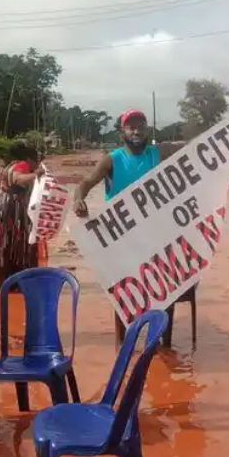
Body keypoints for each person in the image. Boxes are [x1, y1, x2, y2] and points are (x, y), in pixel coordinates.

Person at [73, 109, 166, 342]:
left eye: (140, 126)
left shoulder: (158, 154)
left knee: (164, 289)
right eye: (130, 126)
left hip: (155, 233)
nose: (136, 131)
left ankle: (161, 345)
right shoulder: (112, 160)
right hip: (122, 237)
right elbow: (85, 183)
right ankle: (121, 343)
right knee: (123, 291)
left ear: (147, 129)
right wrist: (78, 200)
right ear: (122, 131)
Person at [0, 141, 44, 292]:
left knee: (2, 246)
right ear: (30, 159)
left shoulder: (8, 166)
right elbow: (18, 179)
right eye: (37, 161)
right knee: (20, 245)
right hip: (12, 212)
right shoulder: (22, 165)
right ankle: (22, 284)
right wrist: (36, 175)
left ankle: (2, 284)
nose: (39, 164)